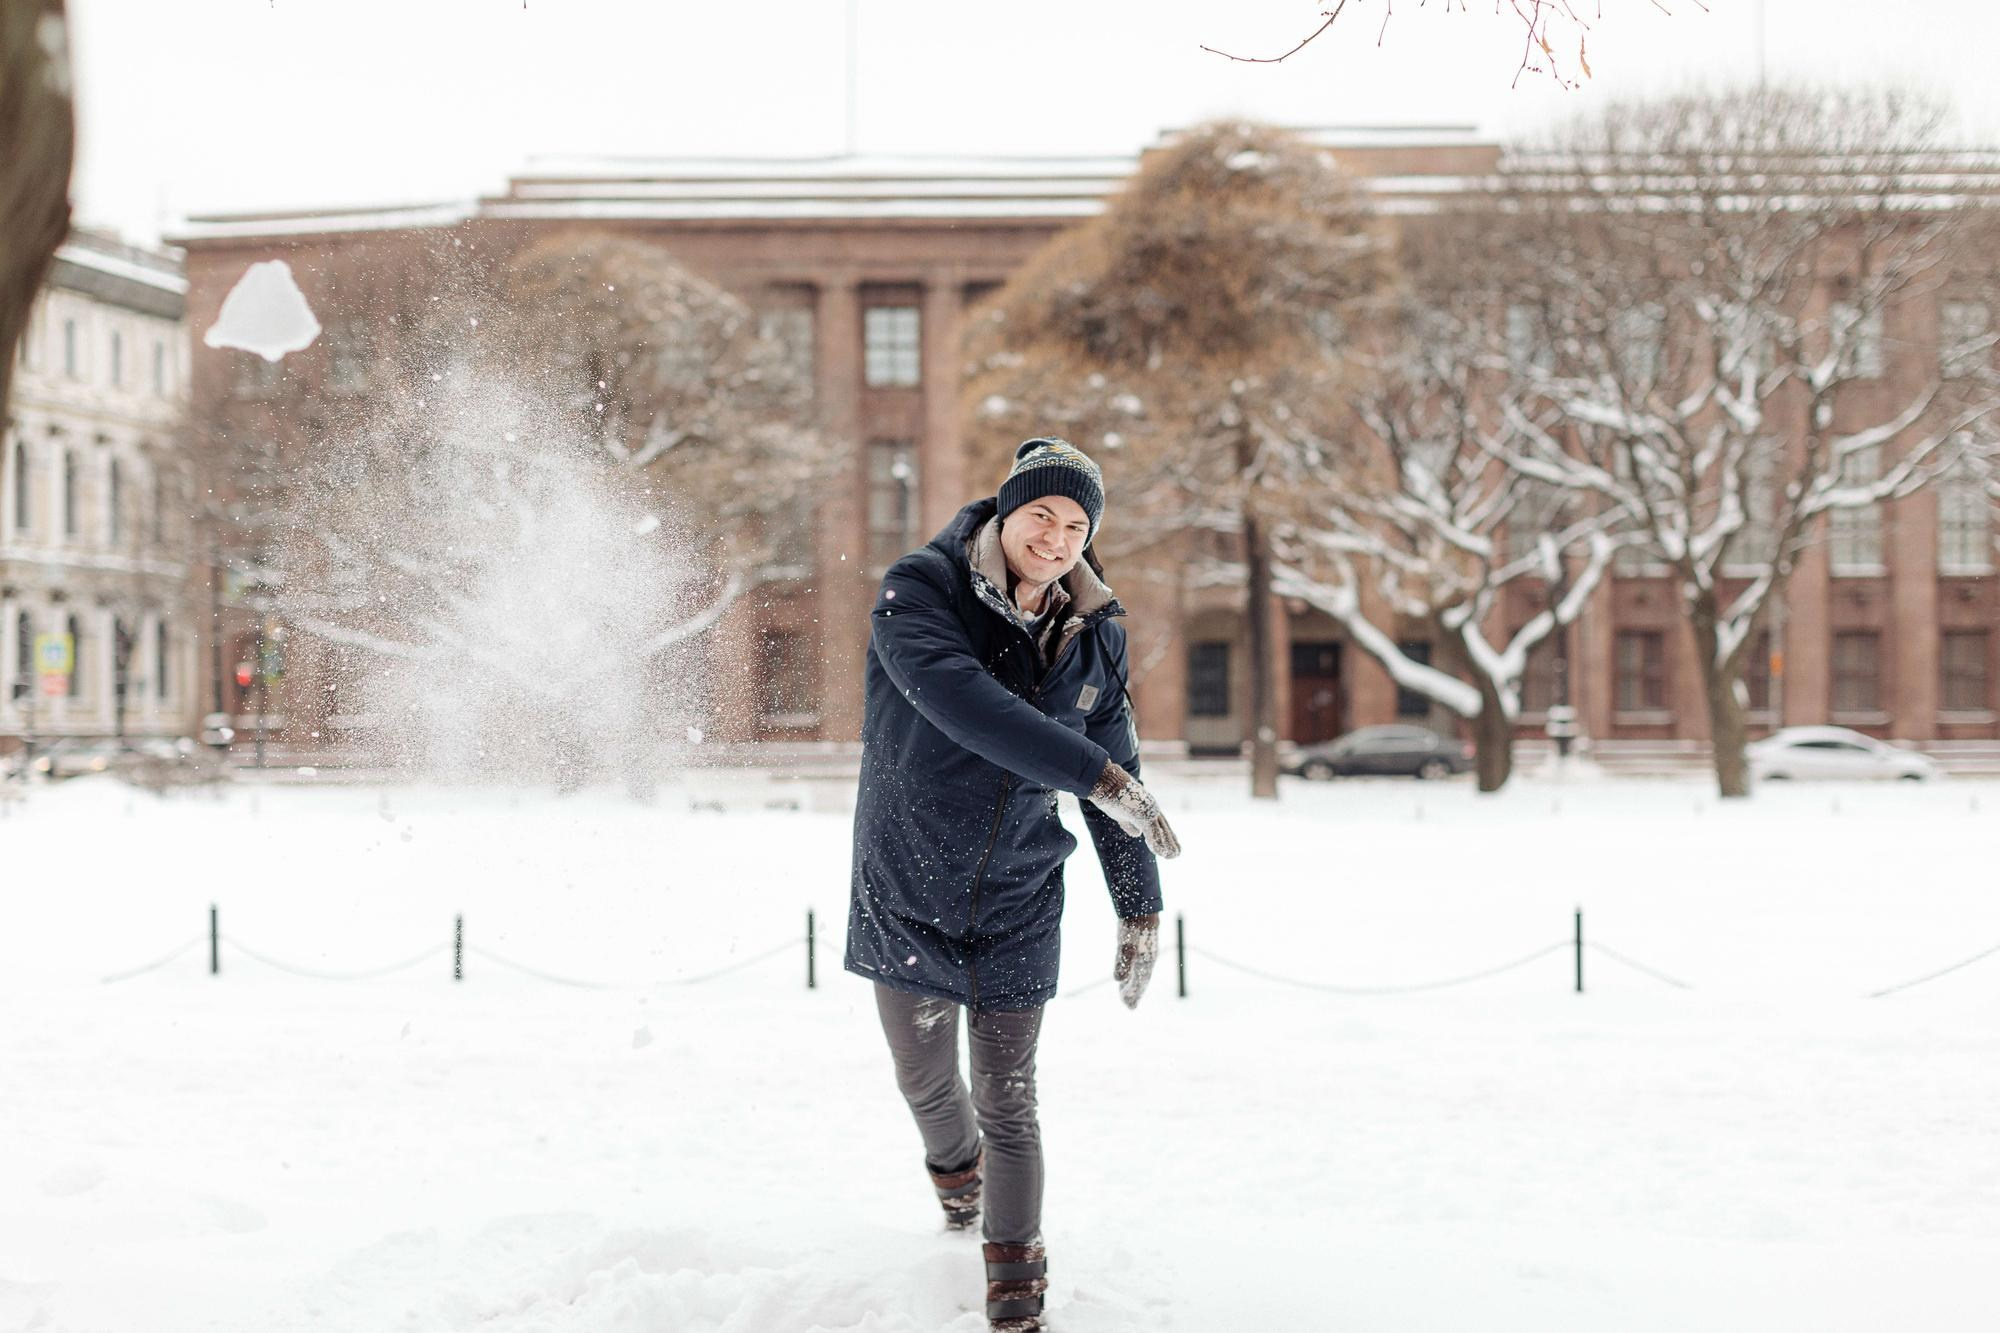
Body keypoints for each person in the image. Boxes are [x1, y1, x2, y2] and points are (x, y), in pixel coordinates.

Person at [845, 437, 1181, 1333]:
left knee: (1011, 1098)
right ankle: (958, 1180)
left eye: (1077, 525)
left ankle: (1016, 1301)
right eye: (1043, 515)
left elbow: (1123, 763)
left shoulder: (1095, 630)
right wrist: (1097, 776)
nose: (1058, 537)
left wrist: (1139, 901)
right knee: (923, 1075)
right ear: (1007, 510)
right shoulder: (923, 590)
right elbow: (961, 701)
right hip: (908, 874)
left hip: (1022, 892)